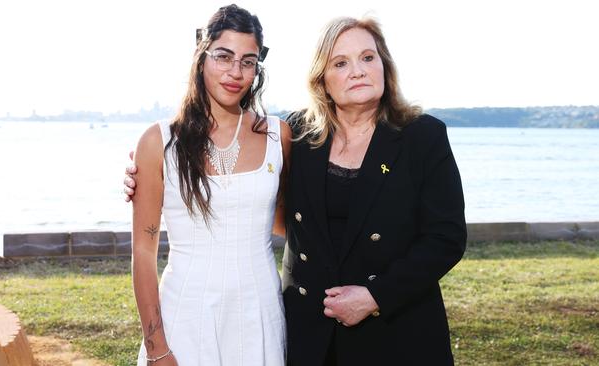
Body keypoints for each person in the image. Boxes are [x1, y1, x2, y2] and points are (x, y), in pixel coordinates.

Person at [126, 15, 466, 366]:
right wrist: (149, 179)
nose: (358, 71)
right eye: (341, 62)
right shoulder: (302, 135)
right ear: (322, 80)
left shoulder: (419, 137)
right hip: (304, 332)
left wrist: (375, 295)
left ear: (385, 65)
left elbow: (446, 238)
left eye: (368, 58)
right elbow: (280, 216)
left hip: (393, 329)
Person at [130, 4, 290, 366]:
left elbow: (284, 223)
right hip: (185, 316)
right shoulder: (159, 142)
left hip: (258, 316)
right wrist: (156, 347)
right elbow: (143, 252)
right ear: (201, 57)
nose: (236, 72)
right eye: (224, 56)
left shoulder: (278, 136)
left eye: (248, 61)